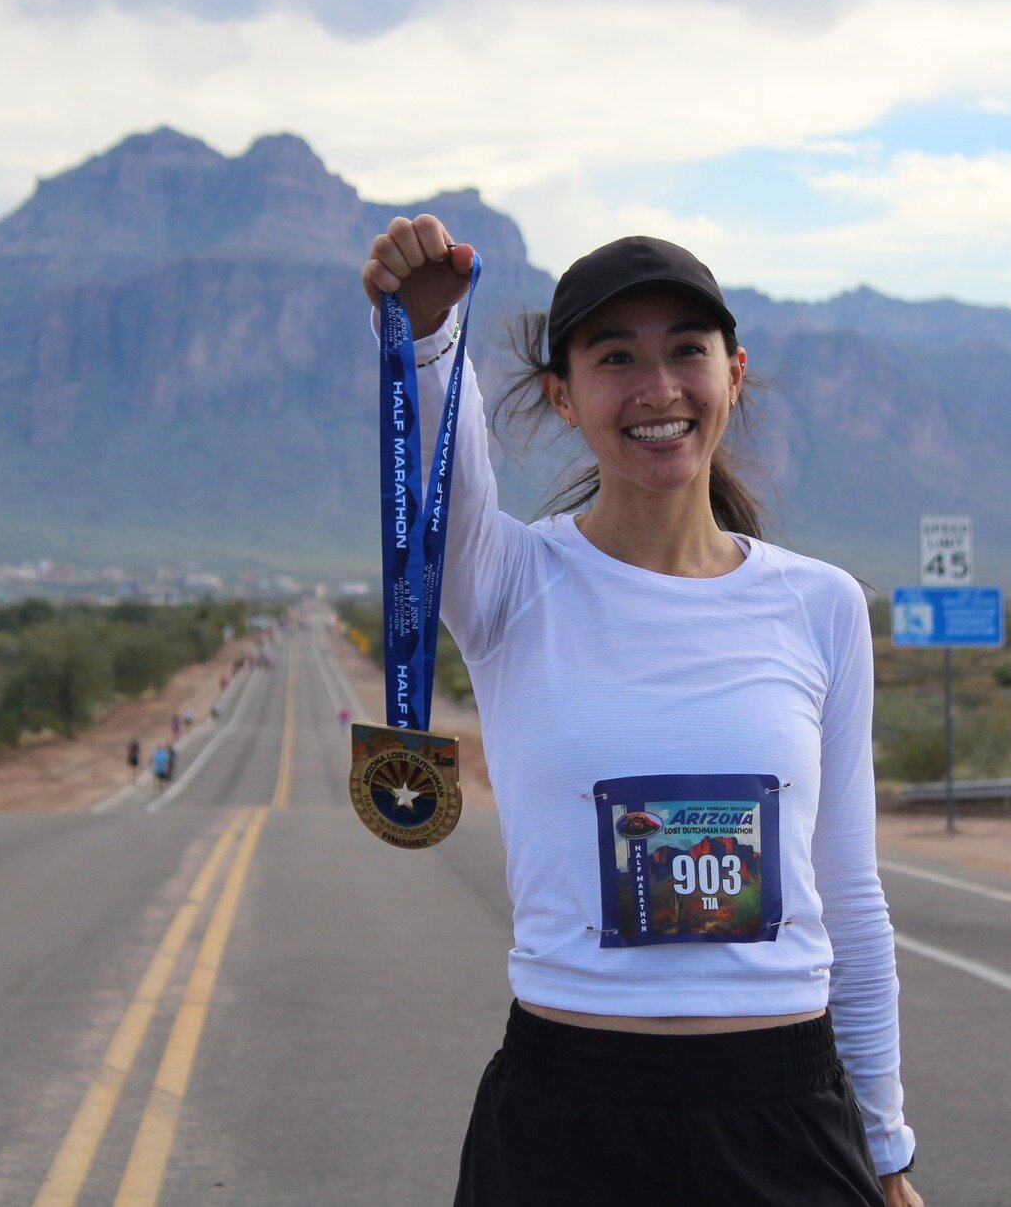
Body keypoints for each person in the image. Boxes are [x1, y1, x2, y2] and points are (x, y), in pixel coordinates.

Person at [362, 217, 921, 1206]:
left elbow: (848, 896)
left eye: (684, 353)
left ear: (733, 374)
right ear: (561, 397)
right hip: (566, 1117)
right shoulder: (509, 583)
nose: (656, 390)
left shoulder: (820, 604)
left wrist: (884, 1148)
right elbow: (437, 479)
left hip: (782, 1114)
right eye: (614, 357)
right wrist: (428, 334)